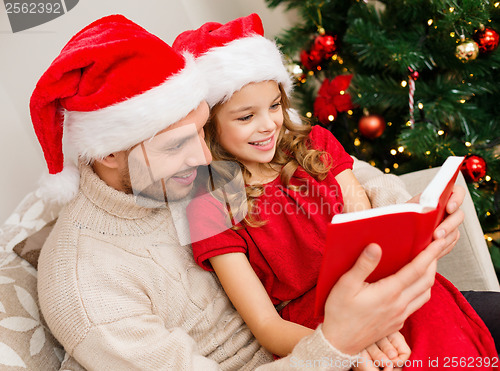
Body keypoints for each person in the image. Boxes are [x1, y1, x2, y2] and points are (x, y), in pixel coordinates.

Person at [34, 14, 467, 371]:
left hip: (343, 324)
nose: (207, 161)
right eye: (179, 144)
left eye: (201, 132)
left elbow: (349, 180)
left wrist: (410, 213)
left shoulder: (185, 173)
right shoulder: (86, 288)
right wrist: (338, 344)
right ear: (109, 151)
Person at [175, 14, 499, 370]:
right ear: (208, 128)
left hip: (386, 293)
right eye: (245, 117)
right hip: (319, 331)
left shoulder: (316, 144)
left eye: (274, 106)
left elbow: (369, 228)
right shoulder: (207, 209)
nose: (268, 124)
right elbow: (267, 327)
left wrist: (423, 226)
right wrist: (349, 343)